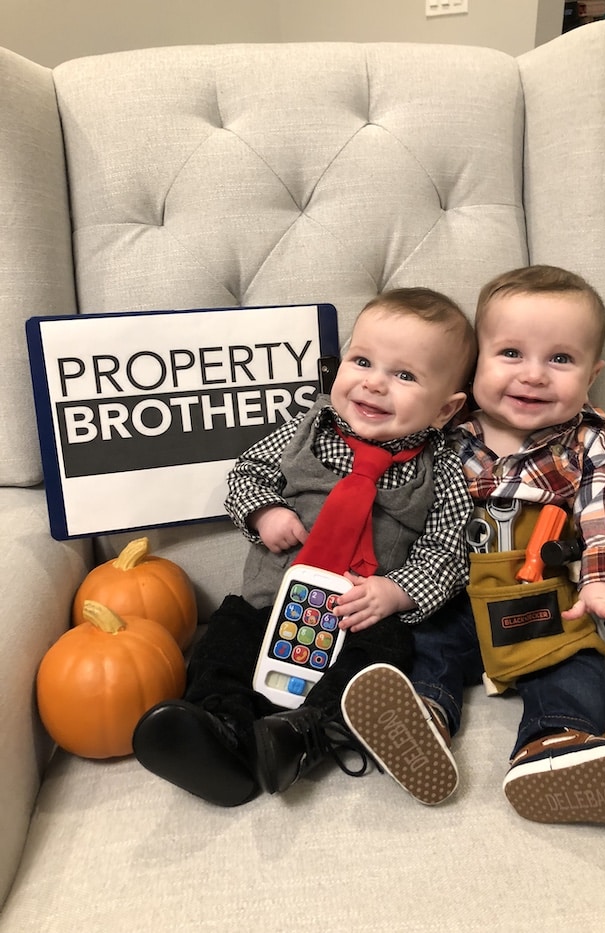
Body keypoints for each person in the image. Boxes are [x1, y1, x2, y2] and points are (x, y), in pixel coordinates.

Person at [342, 265, 605, 823]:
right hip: (453, 593)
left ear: (593, 373)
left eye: (560, 359)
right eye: (511, 353)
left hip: (541, 600)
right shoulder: (444, 431)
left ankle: (556, 746)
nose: (534, 375)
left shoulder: (595, 444)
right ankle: (420, 721)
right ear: (476, 364)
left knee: (574, 662)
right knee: (427, 645)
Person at [132, 286, 476, 807]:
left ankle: (304, 735)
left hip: (358, 618)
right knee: (224, 642)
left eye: (405, 375)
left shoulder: (444, 470)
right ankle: (220, 732)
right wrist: (263, 512)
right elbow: (246, 474)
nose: (374, 383)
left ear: (446, 409)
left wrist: (397, 591)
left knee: (385, 657)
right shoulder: (306, 430)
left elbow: (448, 551)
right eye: (362, 361)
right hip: (267, 605)